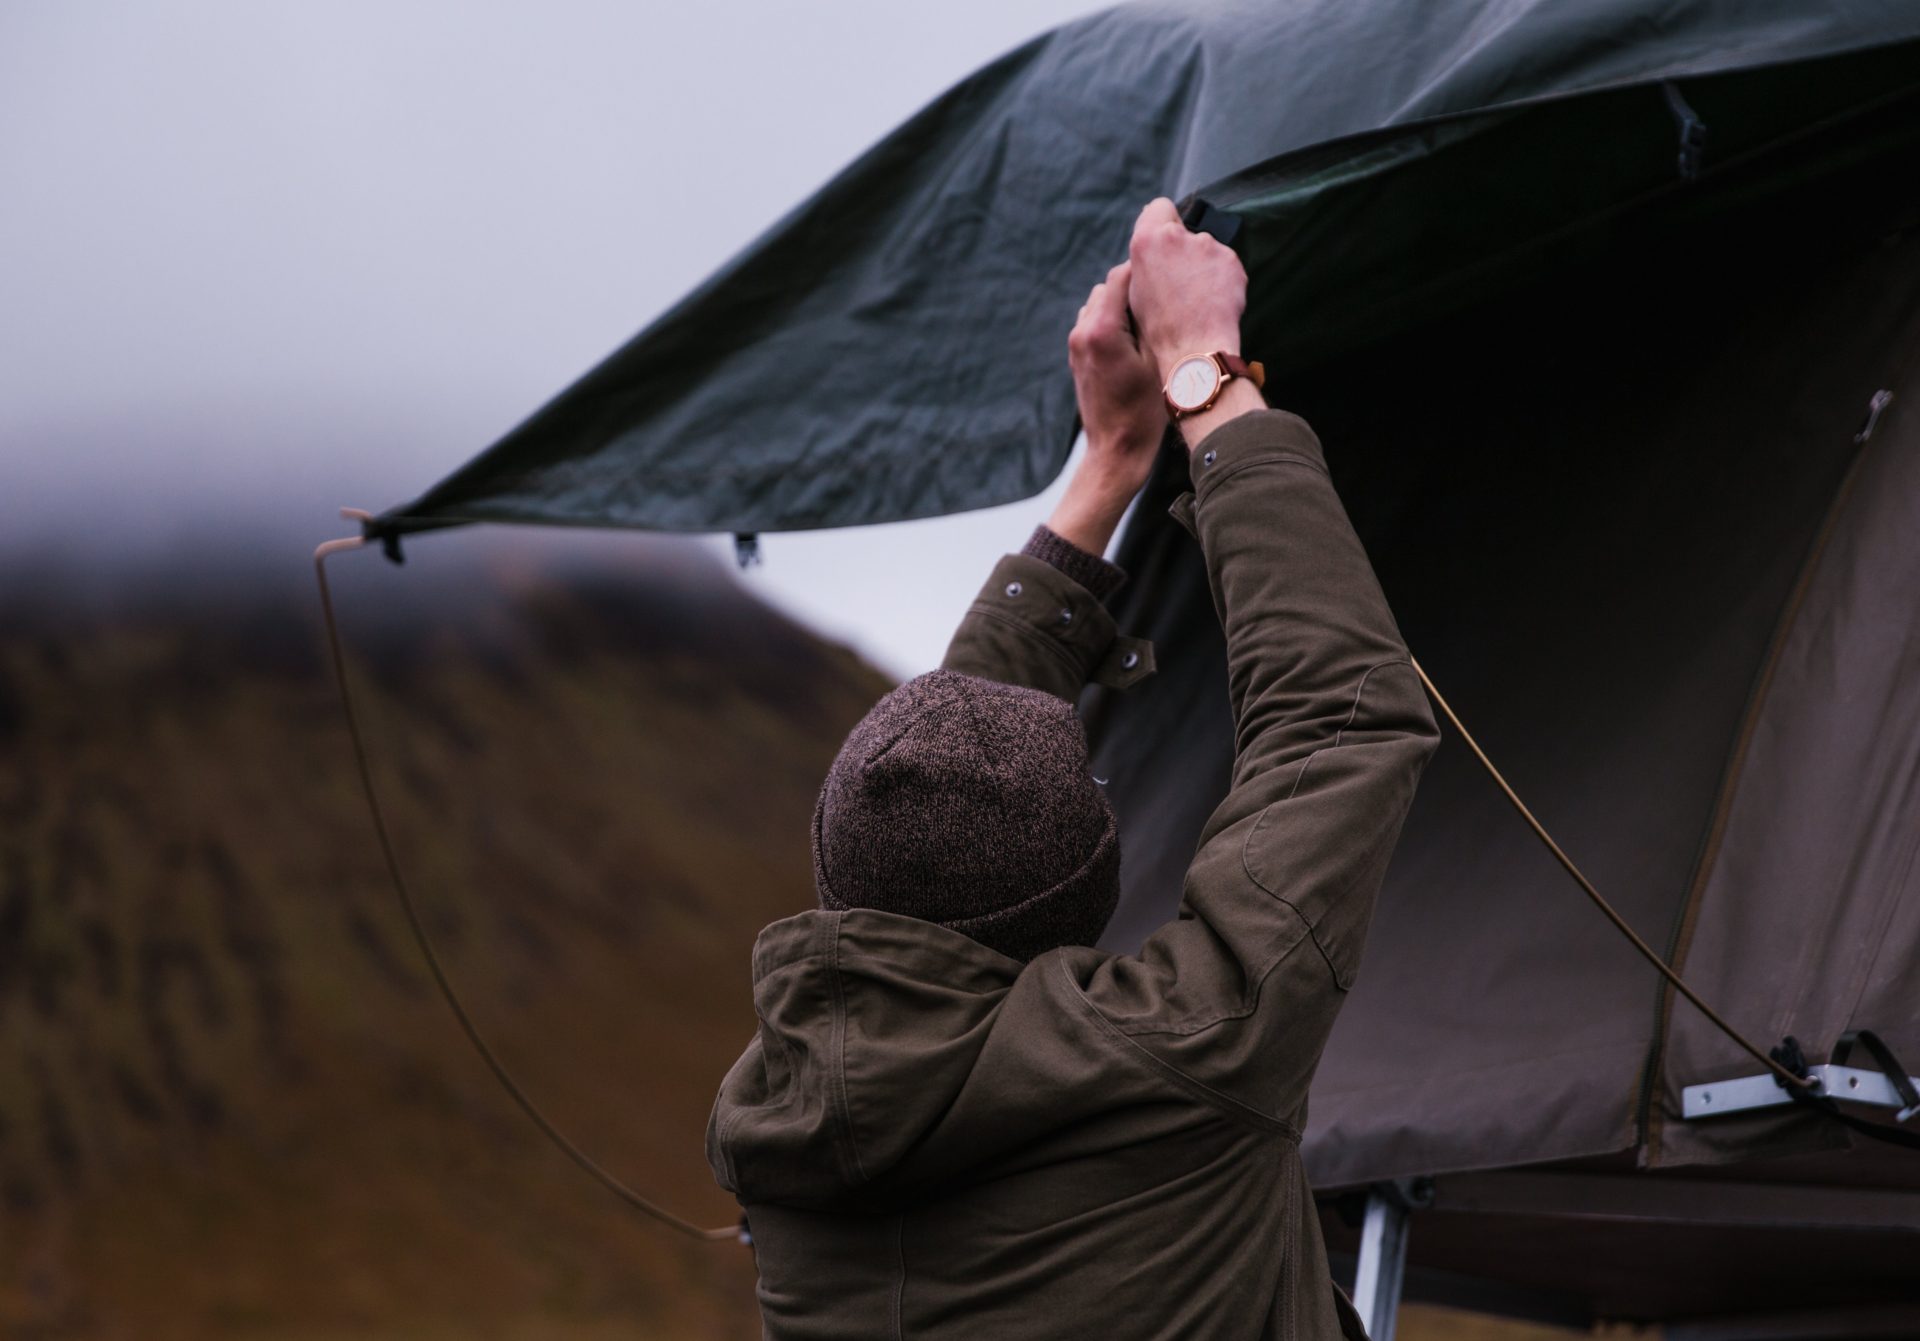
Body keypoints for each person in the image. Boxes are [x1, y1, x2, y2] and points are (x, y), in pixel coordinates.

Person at [707, 197, 1439, 1340]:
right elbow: (1339, 720)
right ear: (1077, 898)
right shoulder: (1180, 1055)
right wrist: (1204, 376)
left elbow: (943, 795)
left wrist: (1111, 466)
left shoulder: (782, 1114)